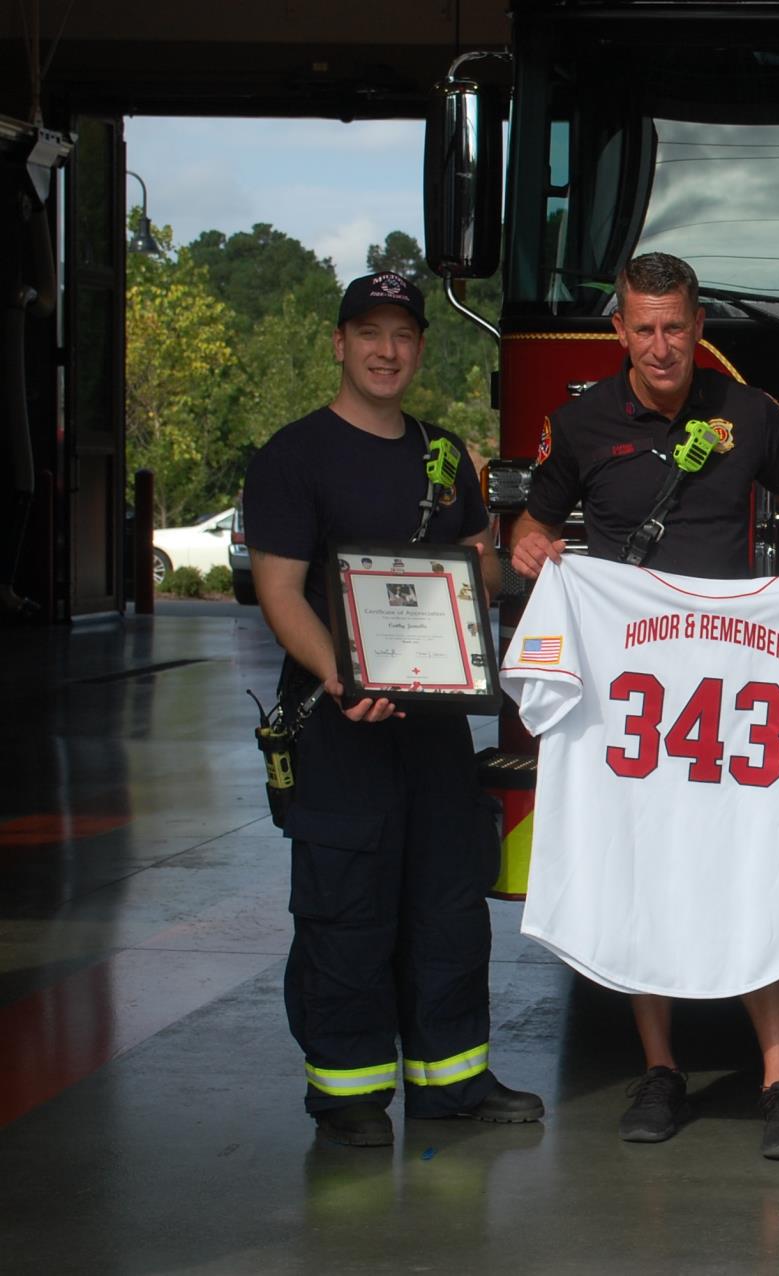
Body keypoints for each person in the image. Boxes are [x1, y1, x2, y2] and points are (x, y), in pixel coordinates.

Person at [508, 251, 779, 1161]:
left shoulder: (748, 413)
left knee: (750, 862)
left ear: (699, 325)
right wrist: (527, 548)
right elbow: (532, 520)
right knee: (642, 864)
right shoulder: (580, 421)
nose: (663, 345)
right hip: (632, 689)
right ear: (620, 330)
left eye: (677, 327)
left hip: (737, 676)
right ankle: (661, 1069)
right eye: (645, 328)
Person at [245, 272, 544, 1147]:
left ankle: (453, 1083)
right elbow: (280, 592)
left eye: (403, 336)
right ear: (338, 343)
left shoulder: (445, 454)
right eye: (368, 333)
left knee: (449, 905)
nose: (386, 351)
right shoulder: (293, 456)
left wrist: (477, 556)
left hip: (436, 727)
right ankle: (347, 1097)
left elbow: (483, 576)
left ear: (421, 347)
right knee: (346, 910)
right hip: (340, 722)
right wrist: (342, 675)